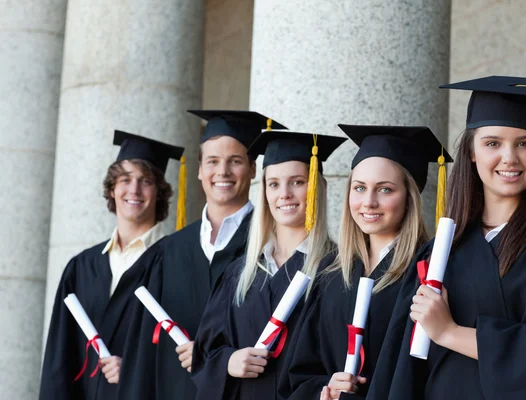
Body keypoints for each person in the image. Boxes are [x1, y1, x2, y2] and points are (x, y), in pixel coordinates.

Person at [367, 76, 526, 400]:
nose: (510, 158)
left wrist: (449, 332)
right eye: (493, 143)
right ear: (472, 152)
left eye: (525, 143)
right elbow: (401, 371)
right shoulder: (436, 254)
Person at [116, 111, 286, 400]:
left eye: (235, 161)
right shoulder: (168, 252)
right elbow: (143, 352)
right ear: (199, 170)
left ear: (254, 169)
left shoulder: (273, 245)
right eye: (213, 161)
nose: (223, 172)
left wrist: (212, 357)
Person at [280, 125, 452, 400]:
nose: (368, 202)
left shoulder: (430, 274)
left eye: (385, 190)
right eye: (359, 188)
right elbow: (300, 372)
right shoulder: (331, 272)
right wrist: (325, 389)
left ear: (409, 197)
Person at [191, 130, 346, 400]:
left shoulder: (338, 270)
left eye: (297, 182)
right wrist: (229, 362)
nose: (284, 194)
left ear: (317, 187)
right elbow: (205, 352)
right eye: (273, 184)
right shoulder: (240, 273)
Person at [40, 131, 183, 399]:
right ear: (112, 189)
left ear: (160, 191)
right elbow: (59, 357)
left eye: (146, 181)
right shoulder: (81, 267)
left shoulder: (176, 261)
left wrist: (134, 370)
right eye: (125, 180)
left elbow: (185, 352)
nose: (134, 190)